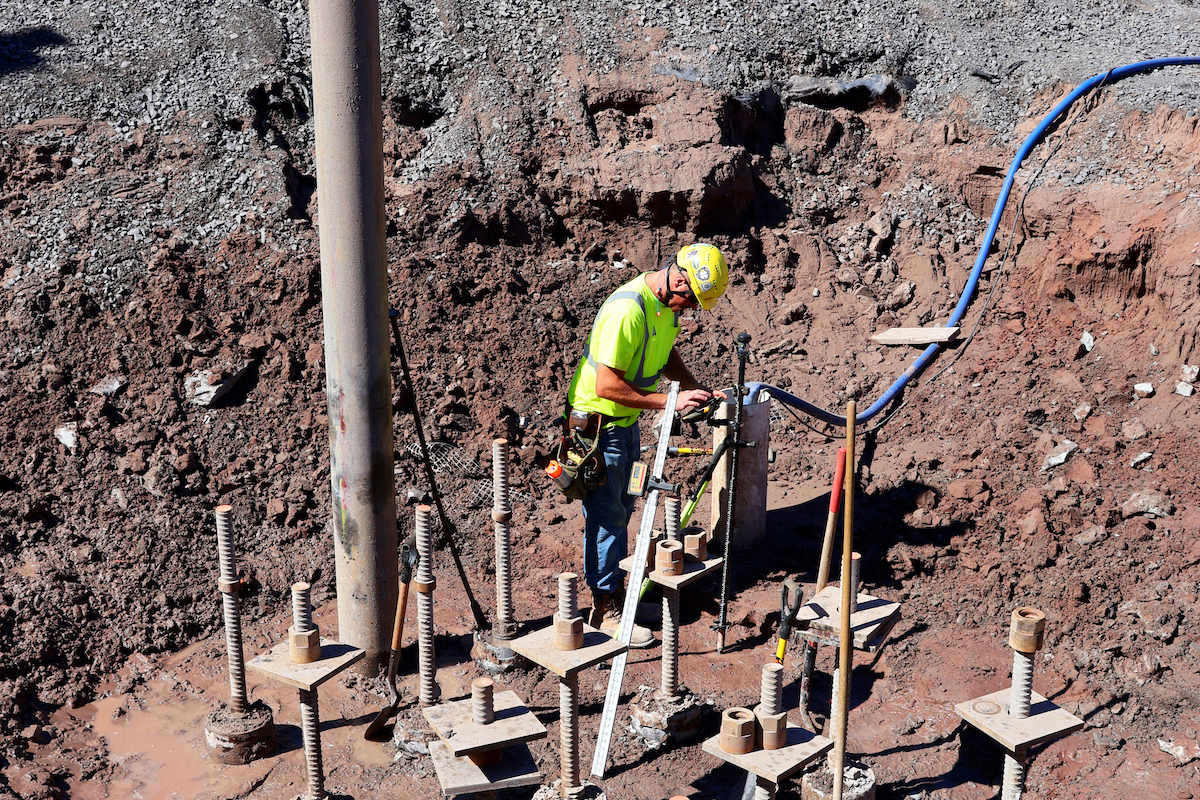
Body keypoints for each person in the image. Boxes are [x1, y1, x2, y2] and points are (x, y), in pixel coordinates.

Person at [565, 243, 730, 647]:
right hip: (599, 431)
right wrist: (668, 401)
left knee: (625, 505)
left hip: (625, 424)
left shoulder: (664, 308)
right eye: (689, 300)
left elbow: (665, 352)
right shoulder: (628, 311)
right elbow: (606, 384)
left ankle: (616, 593)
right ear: (678, 279)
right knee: (609, 518)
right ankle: (604, 609)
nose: (688, 309)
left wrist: (696, 389)